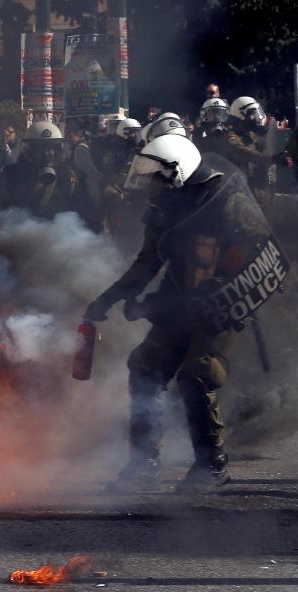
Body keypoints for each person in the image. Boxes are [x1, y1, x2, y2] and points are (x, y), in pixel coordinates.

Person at [85, 134, 288, 493]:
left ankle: (212, 465)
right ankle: (143, 463)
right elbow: (147, 262)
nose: (150, 183)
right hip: (181, 297)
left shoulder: (226, 200)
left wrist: (161, 305)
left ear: (178, 172)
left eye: (156, 175)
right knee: (145, 365)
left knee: (198, 372)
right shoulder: (165, 205)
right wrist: (110, 298)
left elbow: (252, 249)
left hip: (225, 299)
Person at [1, 121, 78, 217]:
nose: (48, 153)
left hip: (58, 228)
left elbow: (77, 207)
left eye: (52, 148)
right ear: (29, 149)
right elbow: (1, 207)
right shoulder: (12, 174)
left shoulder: (67, 175)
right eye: (42, 148)